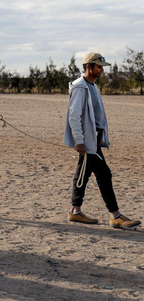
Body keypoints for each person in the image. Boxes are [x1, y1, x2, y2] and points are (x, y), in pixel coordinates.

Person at [65, 52, 140, 229]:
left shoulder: (92, 86)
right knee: (104, 174)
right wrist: (80, 141)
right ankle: (115, 216)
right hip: (87, 140)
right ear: (89, 67)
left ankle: (75, 212)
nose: (102, 70)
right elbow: (74, 117)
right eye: (99, 67)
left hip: (94, 138)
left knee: (83, 172)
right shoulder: (79, 87)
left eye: (102, 67)